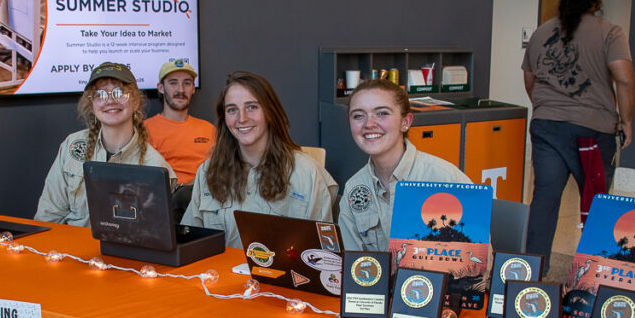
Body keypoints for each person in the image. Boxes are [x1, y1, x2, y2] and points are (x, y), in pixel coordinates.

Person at [522, 0, 635, 271]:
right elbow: (624, 80)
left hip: (546, 127)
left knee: (544, 200)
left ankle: (533, 271)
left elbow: (530, 80)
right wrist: (627, 120)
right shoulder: (610, 32)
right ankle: (592, 274)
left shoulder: (541, 32)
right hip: (592, 132)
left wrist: (549, 110)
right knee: (597, 204)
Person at [182, 71, 337, 249]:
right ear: (224, 118)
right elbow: (191, 243)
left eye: (252, 107)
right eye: (232, 110)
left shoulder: (307, 172)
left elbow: (324, 253)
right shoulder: (208, 172)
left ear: (270, 112)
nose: (242, 118)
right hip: (222, 276)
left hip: (282, 277)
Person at [35, 62, 176, 227]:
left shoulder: (155, 166)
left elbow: (153, 235)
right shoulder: (72, 145)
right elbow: (48, 216)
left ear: (135, 101)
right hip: (68, 248)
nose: (110, 100)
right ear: (92, 104)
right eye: (100, 94)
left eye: (120, 92)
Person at [338, 79, 471, 252]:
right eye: (358, 115)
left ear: (405, 122)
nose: (369, 124)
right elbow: (352, 265)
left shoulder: (447, 179)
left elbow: (477, 266)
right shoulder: (354, 188)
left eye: (382, 113)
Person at [145, 59, 215, 221]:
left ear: (193, 89)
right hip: (165, 200)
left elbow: (219, 170)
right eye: (173, 83)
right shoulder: (144, 130)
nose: (180, 89)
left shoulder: (209, 129)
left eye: (187, 83)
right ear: (161, 88)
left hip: (204, 198)